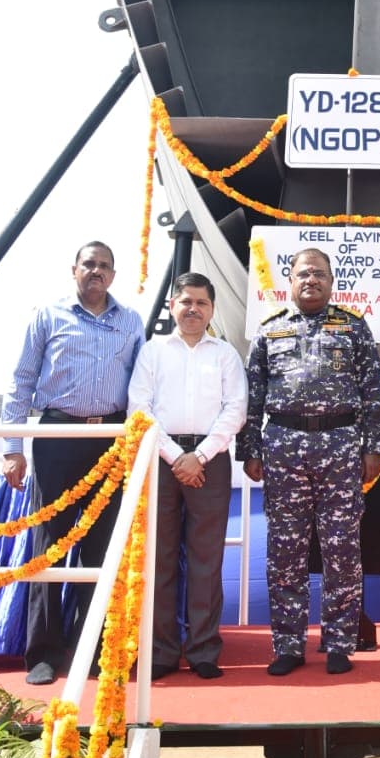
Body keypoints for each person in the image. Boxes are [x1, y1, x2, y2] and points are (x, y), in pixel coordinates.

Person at [1, 242, 145, 684]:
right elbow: (21, 381)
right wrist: (12, 447)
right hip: (58, 436)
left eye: (104, 266)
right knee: (50, 546)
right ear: (74, 270)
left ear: (113, 275)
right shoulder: (48, 315)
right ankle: (44, 654)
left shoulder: (131, 321)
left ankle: (97, 648)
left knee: (103, 549)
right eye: (89, 264)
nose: (96, 272)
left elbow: (142, 383)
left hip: (110, 441)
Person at [241, 248, 380, 677]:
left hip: (341, 443)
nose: (311, 280)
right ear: (290, 280)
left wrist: (374, 447)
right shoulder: (270, 332)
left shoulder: (353, 327)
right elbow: (253, 397)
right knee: (285, 551)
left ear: (331, 281)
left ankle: (340, 641)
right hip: (284, 445)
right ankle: (287, 644)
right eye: (304, 273)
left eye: (320, 274)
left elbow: (375, 395)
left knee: (342, 547)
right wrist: (250, 449)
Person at [127, 272, 247, 680]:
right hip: (160, 458)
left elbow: (236, 410)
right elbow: (139, 409)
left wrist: (199, 455)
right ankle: (160, 652)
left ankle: (203, 650)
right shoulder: (153, 352)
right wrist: (178, 457)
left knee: (206, 560)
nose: (193, 309)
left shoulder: (225, 355)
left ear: (212, 310)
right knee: (158, 558)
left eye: (202, 302)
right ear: (172, 306)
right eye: (186, 301)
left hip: (210, 460)